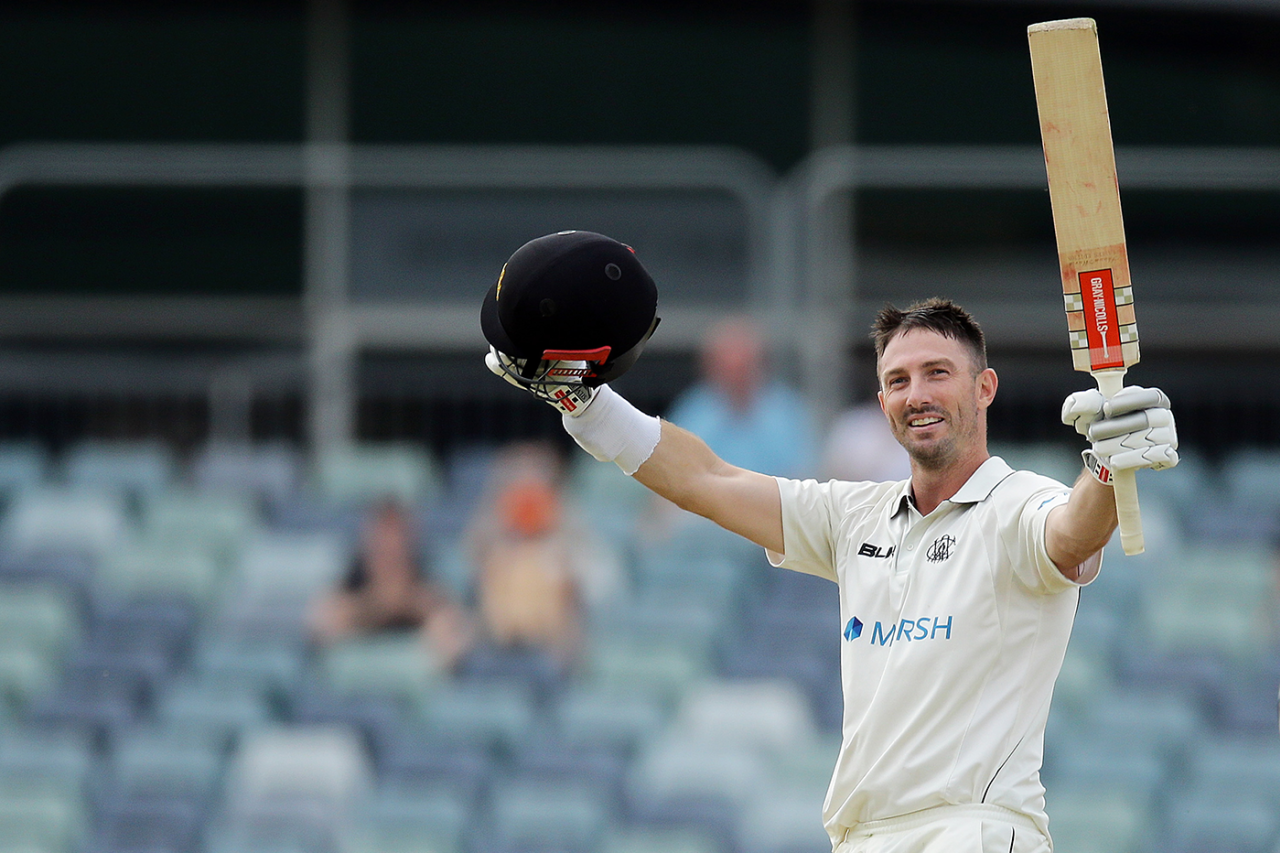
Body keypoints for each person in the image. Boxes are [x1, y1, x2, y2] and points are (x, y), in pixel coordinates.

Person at [487, 270, 1178, 850]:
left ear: (985, 388)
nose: (917, 394)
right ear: (881, 402)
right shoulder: (854, 516)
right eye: (898, 380)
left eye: (938, 373)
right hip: (862, 836)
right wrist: (587, 404)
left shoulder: (1020, 503)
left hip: (974, 829)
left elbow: (1071, 535)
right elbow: (706, 480)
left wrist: (1107, 467)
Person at [308, 499, 473, 670]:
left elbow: (459, 641)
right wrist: (375, 605)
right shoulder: (348, 586)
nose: (391, 547)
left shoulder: (430, 587)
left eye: (398, 538)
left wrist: (416, 605)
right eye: (383, 540)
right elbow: (317, 630)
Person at [666, 315, 818, 480]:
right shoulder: (692, 412)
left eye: (743, 367)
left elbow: (802, 470)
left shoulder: (787, 410)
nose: (736, 376)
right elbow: (679, 470)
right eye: (727, 368)